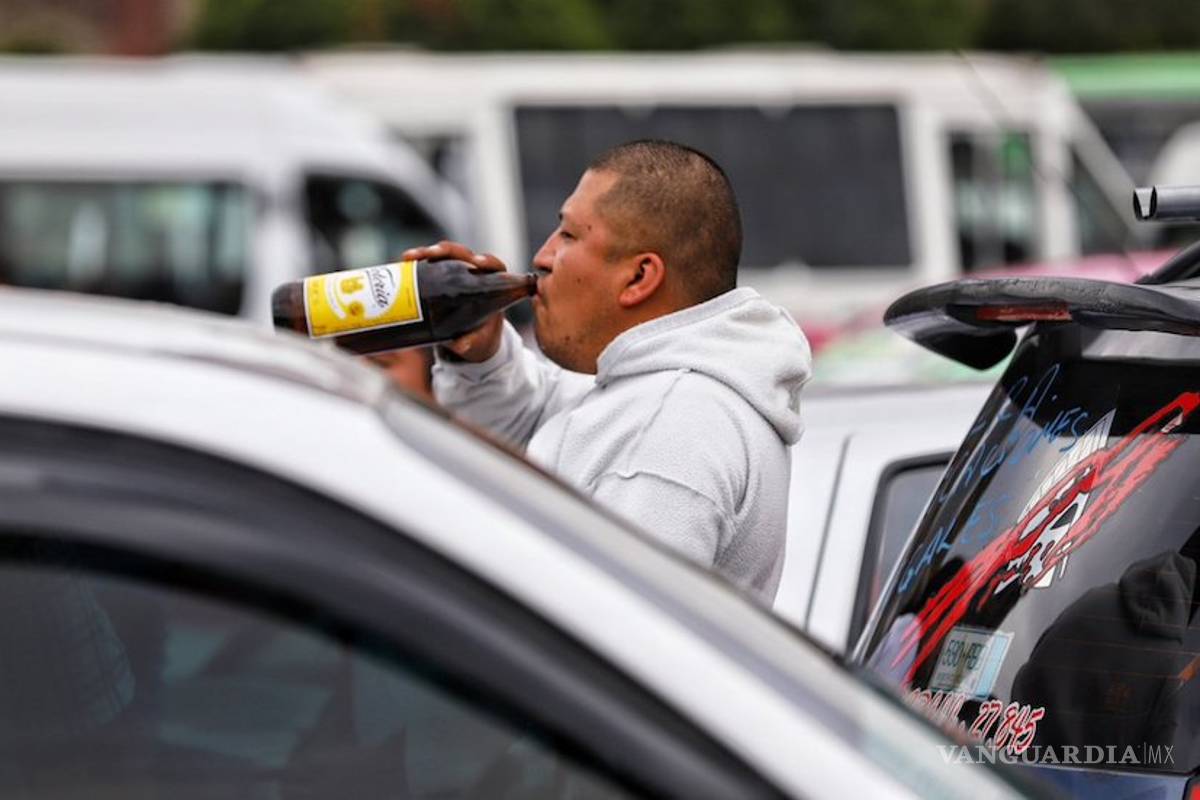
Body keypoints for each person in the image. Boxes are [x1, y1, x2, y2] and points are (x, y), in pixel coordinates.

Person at [403, 140, 811, 603]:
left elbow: (618, 632)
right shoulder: (655, 391)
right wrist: (481, 355)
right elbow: (537, 425)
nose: (542, 256)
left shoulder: (671, 424)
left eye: (570, 236)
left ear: (639, 278)